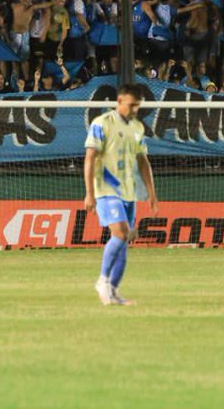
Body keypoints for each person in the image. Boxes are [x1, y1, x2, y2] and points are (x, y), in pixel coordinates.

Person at [83, 84, 159, 306]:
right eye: (132, 104)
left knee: (125, 240)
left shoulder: (137, 128)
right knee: (121, 232)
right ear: (119, 101)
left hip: (129, 191)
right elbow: (90, 158)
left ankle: (114, 291)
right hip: (106, 189)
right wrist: (89, 193)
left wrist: (151, 193)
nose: (135, 109)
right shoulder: (102, 124)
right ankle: (102, 280)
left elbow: (143, 162)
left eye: (138, 105)